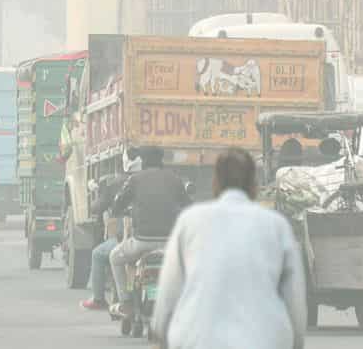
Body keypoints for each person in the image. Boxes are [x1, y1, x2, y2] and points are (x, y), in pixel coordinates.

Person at [150, 148, 306, 349]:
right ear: (253, 185)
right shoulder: (276, 226)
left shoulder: (190, 221)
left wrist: (159, 338)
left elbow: (168, 292)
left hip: (196, 340)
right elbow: (295, 300)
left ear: (215, 183)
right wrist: (297, 342)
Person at [109, 147, 190, 316]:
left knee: (115, 257)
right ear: (161, 161)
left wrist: (117, 210)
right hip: (169, 243)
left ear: (143, 162)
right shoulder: (174, 179)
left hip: (141, 242)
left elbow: (117, 206)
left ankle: (126, 303)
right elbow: (187, 205)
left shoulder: (134, 180)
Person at [80, 155, 137, 311]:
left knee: (98, 254)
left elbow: (98, 208)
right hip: (165, 239)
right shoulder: (158, 183)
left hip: (135, 239)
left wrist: (100, 192)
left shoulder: (119, 184)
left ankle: (99, 299)